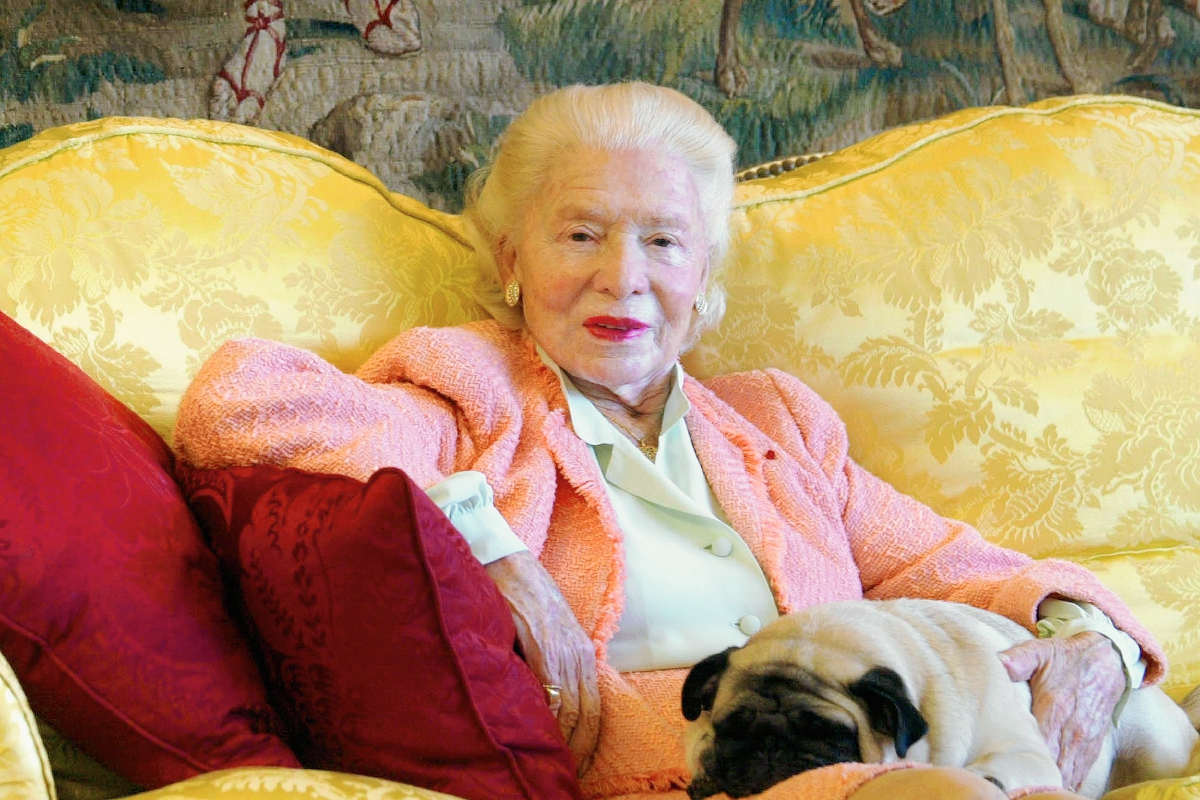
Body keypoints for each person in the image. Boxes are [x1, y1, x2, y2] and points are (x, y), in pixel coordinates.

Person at [174, 82, 1162, 800]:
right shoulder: (474, 392)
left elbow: (961, 566)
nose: (622, 276)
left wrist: (1099, 644)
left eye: (662, 240)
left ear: (705, 278)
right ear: (513, 260)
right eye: (580, 235)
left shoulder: (777, 424)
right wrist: (495, 546)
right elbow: (240, 403)